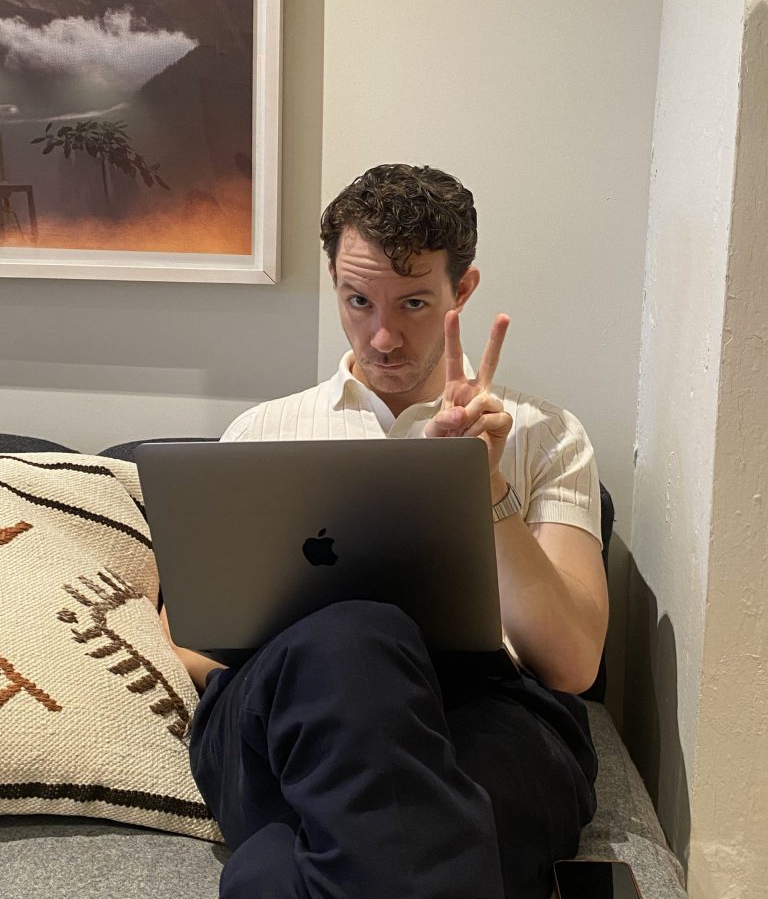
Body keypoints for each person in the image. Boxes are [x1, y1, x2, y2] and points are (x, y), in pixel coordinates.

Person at [162, 163, 609, 899]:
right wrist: (325, 669)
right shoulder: (261, 432)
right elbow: (185, 637)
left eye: (414, 304)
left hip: (486, 706)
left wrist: (486, 489)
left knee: (279, 867)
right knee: (355, 638)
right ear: (334, 280)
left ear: (463, 291)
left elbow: (571, 663)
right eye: (358, 300)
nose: (383, 336)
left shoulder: (546, 435)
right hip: (289, 710)